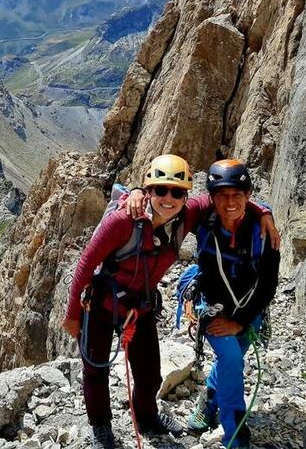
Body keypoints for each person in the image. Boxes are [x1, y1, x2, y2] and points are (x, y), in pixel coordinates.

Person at [62, 155, 279, 449]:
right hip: (101, 305)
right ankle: (101, 427)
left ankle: (148, 417)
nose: (169, 198)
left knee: (150, 375)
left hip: (140, 308)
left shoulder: (187, 215)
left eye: (177, 192)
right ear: (148, 191)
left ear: (185, 196)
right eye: (160, 190)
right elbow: (86, 265)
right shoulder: (122, 220)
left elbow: (228, 198)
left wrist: (263, 211)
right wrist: (73, 315)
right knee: (95, 369)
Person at [183, 159, 280, 449]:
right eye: (222, 195)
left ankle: (210, 399)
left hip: (249, 311)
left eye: (237, 195)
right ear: (211, 198)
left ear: (248, 196)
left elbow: (268, 284)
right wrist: (135, 192)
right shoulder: (202, 222)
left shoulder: (264, 233)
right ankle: (235, 431)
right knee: (232, 360)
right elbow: (164, 206)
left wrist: (241, 321)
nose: (229, 202)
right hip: (211, 309)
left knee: (231, 359)